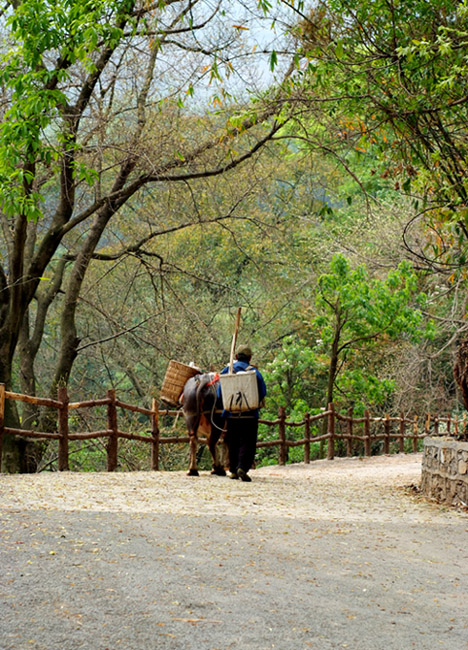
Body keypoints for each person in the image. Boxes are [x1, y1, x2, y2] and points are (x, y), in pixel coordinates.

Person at [217, 344, 267, 482]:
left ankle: (232, 470)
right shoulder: (255, 373)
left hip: (232, 415)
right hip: (250, 414)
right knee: (248, 442)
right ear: (250, 358)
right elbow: (263, 392)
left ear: (236, 357)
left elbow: (220, 394)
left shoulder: (227, 370)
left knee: (232, 442)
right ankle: (242, 468)